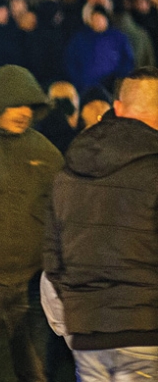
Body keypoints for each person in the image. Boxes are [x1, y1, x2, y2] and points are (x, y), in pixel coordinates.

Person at [44, 66, 158, 381]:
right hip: (145, 329)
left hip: (87, 332)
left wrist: (79, 304)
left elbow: (53, 257)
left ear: (117, 107)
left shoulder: (74, 163)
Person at [0, 65, 63, 382]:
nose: (24, 113)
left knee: (35, 370)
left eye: (30, 106)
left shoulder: (45, 153)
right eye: (16, 104)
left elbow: (63, 210)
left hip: (31, 282)